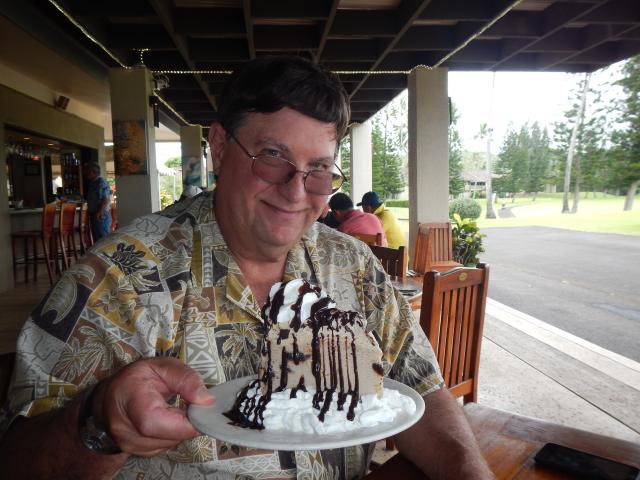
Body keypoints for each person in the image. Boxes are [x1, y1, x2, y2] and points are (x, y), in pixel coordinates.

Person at [0, 56, 493, 479]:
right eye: (272, 155)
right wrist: (99, 423)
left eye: (319, 169)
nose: (295, 191)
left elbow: (424, 392)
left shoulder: (354, 265)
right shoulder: (119, 279)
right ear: (218, 147)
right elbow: (15, 460)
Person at [85, 162, 112, 241]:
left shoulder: (100, 182)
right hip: (96, 215)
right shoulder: (94, 183)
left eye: (87, 172)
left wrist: (99, 213)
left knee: (102, 241)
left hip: (101, 216)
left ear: (92, 172)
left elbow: (105, 199)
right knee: (98, 240)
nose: (86, 174)